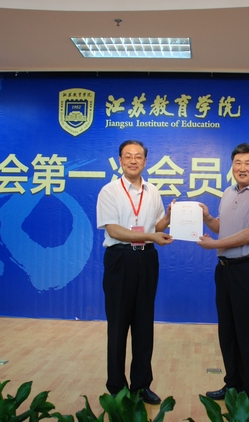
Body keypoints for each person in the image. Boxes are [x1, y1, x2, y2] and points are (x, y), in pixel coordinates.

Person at [197, 143, 249, 408]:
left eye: (248, 163)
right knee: (228, 332)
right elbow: (222, 227)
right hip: (225, 271)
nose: (242, 168)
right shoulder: (228, 192)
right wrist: (208, 217)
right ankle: (233, 385)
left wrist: (215, 245)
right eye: (237, 163)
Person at [96, 140, 174, 405]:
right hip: (120, 259)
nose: (133, 160)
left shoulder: (153, 191)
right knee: (118, 325)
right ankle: (116, 387)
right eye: (128, 156)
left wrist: (170, 217)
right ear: (120, 160)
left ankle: (141, 386)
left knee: (144, 324)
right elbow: (113, 230)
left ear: (145, 161)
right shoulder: (109, 191)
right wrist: (151, 235)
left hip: (147, 259)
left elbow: (157, 225)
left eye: (138, 156)